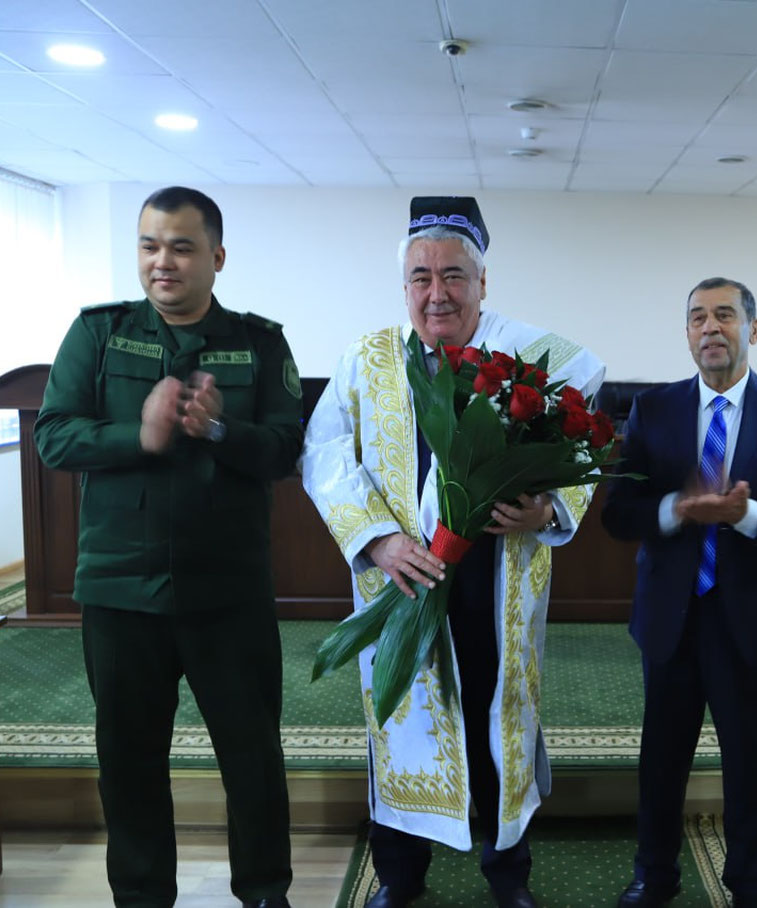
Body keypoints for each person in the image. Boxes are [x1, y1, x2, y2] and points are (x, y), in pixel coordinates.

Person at [299, 196, 604, 908]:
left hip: (496, 581)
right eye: (421, 277)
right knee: (400, 721)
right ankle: (400, 875)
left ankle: (508, 875)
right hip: (401, 578)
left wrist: (549, 508)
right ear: (403, 285)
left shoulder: (532, 356)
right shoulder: (367, 359)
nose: (437, 293)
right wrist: (377, 539)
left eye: (454, 275)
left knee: (498, 721)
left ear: (482, 281)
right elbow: (324, 453)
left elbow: (586, 439)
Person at [35, 186, 299, 908]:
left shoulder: (259, 342)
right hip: (121, 589)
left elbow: (285, 449)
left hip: (229, 591)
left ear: (217, 257)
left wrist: (219, 430)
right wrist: (139, 436)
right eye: (150, 246)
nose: (163, 262)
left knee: (251, 756)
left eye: (182, 247)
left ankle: (265, 892)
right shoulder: (98, 334)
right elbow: (54, 435)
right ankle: (142, 896)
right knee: (128, 760)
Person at [602, 277, 757, 908]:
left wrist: (742, 515)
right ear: (686, 334)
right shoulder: (653, 409)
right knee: (661, 756)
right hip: (672, 613)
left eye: (724, 315)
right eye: (698, 318)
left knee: (749, 757)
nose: (710, 328)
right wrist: (677, 508)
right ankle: (654, 875)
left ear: (753, 329)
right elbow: (619, 514)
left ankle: (752, 885)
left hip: (752, 614)